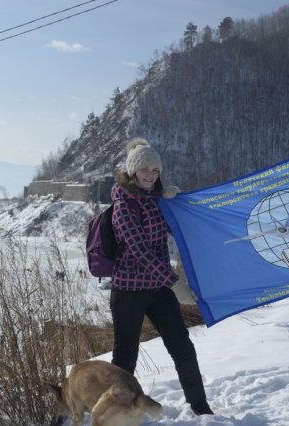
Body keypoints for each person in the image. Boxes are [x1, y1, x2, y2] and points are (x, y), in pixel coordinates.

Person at [110, 138, 213, 416]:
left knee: (182, 347)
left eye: (155, 170)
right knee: (125, 359)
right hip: (129, 291)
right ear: (133, 171)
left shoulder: (155, 199)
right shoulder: (123, 206)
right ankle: (119, 414)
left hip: (158, 289)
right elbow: (140, 251)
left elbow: (174, 230)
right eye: (145, 169)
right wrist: (175, 284)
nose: (150, 175)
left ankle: (201, 408)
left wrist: (176, 205)